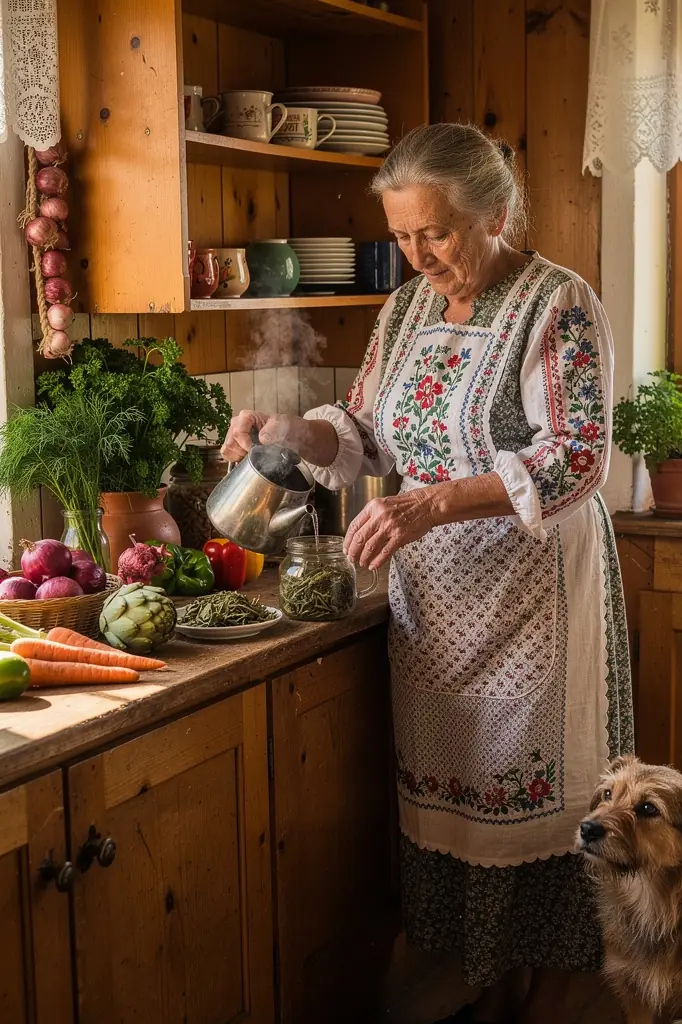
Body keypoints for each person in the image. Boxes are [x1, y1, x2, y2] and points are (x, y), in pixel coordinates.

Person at [222, 122, 633, 1024]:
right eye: (401, 236)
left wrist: (432, 503)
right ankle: (480, 980)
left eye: (435, 233)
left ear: (495, 214)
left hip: (534, 597)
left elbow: (577, 459)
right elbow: (367, 435)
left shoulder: (558, 304)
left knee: (539, 801)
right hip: (436, 606)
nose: (417, 256)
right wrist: (289, 431)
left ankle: (547, 993)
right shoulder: (407, 308)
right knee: (450, 798)